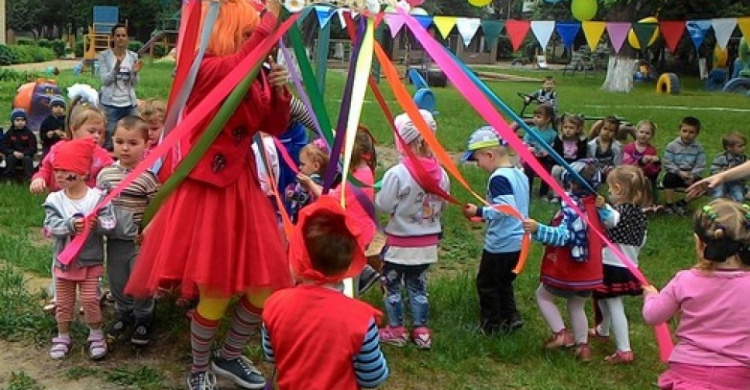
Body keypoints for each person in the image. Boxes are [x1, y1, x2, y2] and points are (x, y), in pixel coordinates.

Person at [124, 1, 294, 388]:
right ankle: (199, 368)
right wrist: (272, 21)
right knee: (215, 290)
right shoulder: (205, 69)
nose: (254, 38)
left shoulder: (254, 72)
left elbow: (276, 125)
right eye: (246, 32)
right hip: (207, 193)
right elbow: (236, 69)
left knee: (267, 288)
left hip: (244, 189)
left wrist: (280, 91)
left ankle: (228, 356)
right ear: (228, 32)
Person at [261, 196, 389, 390]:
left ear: (298, 258)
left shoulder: (274, 304)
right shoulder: (361, 319)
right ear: (348, 266)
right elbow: (372, 377)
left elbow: (271, 355)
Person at [642, 200, 750, 389]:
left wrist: (651, 296)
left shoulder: (685, 281)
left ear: (699, 243)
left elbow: (653, 315)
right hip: (738, 376)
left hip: (687, 372)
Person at [375, 110, 449, 349]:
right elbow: (443, 205)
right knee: (417, 285)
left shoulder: (397, 174)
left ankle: (396, 329)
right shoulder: (443, 174)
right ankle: (421, 330)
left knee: (392, 285)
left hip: (399, 246)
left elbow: (384, 205)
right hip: (427, 246)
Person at [522, 160, 605, 362]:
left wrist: (537, 229)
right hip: (590, 271)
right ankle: (583, 346)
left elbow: (562, 236)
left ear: (571, 183)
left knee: (542, 296)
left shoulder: (572, 209)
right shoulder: (597, 206)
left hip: (570, 269)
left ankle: (560, 334)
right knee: (577, 305)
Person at [43, 138, 116, 360]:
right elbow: (49, 226)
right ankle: (62, 336)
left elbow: (112, 224)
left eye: (67, 171)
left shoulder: (98, 199)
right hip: (64, 263)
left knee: (90, 300)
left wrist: (99, 226)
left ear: (83, 173)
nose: (60, 176)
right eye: (57, 170)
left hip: (90, 261)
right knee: (63, 302)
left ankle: (96, 334)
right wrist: (69, 225)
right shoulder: (55, 200)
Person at [97, 116, 160, 346]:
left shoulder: (148, 178)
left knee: (140, 281)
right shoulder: (105, 175)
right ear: (112, 141)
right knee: (117, 280)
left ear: (146, 145)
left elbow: (158, 208)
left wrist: (149, 231)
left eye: (133, 143)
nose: (125, 148)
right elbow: (98, 204)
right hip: (114, 241)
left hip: (138, 242)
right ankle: (124, 314)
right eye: (120, 141)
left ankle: (144, 317)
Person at [462, 127, 529, 335]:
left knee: (487, 283)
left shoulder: (499, 178)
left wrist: (480, 210)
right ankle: (511, 316)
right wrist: (485, 215)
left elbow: (506, 208)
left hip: (501, 243)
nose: (478, 165)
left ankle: (490, 326)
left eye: (477, 159)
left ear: (489, 155)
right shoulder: (519, 173)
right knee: (504, 282)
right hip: (518, 241)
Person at [298, 127, 381, 295]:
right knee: (350, 267)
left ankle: (351, 295)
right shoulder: (364, 171)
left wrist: (309, 183)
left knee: (348, 272)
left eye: (341, 150)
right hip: (360, 230)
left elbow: (329, 198)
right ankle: (361, 276)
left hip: (355, 234)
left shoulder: (356, 178)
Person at [590, 165, 651, 364]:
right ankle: (602, 329)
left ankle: (624, 349)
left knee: (614, 304)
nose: (608, 193)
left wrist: (602, 207)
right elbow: (642, 241)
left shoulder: (616, 211)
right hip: (629, 264)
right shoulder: (641, 214)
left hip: (611, 265)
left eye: (609, 189)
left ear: (617, 188)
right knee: (603, 296)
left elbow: (610, 221)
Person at [30, 96, 113, 194]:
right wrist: (39, 179)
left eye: (100, 132)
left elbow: (111, 173)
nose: (97, 136)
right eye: (92, 131)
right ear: (74, 129)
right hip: (61, 201)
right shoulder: (59, 149)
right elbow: (46, 169)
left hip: (90, 204)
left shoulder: (101, 155)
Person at [99, 23, 141, 151]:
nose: (120, 38)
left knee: (135, 131)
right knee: (110, 134)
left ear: (127, 38)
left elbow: (134, 83)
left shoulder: (133, 56)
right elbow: (105, 81)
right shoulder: (104, 56)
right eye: (117, 36)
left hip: (129, 102)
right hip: (111, 103)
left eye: (123, 35)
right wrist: (115, 69)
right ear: (112, 38)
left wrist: (134, 73)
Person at [662, 116, 706, 216]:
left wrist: (693, 175)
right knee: (668, 179)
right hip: (676, 173)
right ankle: (669, 204)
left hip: (691, 174)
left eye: (691, 132)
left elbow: (700, 164)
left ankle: (682, 203)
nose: (687, 135)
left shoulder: (699, 148)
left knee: (703, 186)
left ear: (697, 134)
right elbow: (668, 162)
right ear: (679, 131)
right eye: (684, 131)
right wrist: (679, 172)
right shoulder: (672, 146)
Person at [515, 104, 556, 200]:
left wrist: (546, 152)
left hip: (545, 158)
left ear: (548, 119)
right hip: (533, 157)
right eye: (534, 116)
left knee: (547, 170)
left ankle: (543, 193)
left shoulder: (553, 134)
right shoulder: (531, 131)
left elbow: (553, 147)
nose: (535, 119)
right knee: (528, 168)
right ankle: (527, 192)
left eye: (539, 117)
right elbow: (525, 143)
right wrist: (530, 148)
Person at [287, 138, 328, 222]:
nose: (299, 167)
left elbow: (323, 197)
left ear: (316, 166)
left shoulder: (317, 182)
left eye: (303, 164)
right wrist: (295, 195)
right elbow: (304, 198)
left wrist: (309, 183)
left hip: (309, 220)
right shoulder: (307, 179)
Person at [549, 114, 588, 203]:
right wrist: (562, 164)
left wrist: (573, 166)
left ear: (578, 129)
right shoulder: (559, 139)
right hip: (561, 163)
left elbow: (583, 156)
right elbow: (556, 154)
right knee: (555, 170)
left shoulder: (582, 140)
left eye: (571, 128)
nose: (568, 130)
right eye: (565, 127)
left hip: (576, 164)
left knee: (579, 172)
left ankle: (572, 193)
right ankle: (557, 194)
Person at [622, 120, 661, 205]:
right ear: (636, 132)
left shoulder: (651, 150)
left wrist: (656, 163)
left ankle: (647, 203)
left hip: (645, 177)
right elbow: (627, 164)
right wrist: (641, 163)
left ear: (651, 136)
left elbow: (653, 171)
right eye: (641, 132)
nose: (644, 135)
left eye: (647, 133)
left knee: (649, 183)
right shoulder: (629, 148)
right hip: (630, 175)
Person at [709, 132, 747, 202]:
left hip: (736, 183)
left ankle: (735, 209)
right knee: (718, 195)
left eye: (744, 145)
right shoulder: (720, 158)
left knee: (739, 197)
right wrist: (725, 172)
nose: (743, 148)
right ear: (729, 148)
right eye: (740, 146)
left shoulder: (744, 159)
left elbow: (746, 174)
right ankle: (716, 209)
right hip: (720, 182)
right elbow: (713, 171)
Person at [1, 108, 37, 181]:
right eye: (17, 120)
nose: (20, 122)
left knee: (27, 159)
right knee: (10, 158)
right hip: (13, 155)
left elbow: (33, 148)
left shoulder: (29, 133)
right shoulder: (9, 133)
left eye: (22, 120)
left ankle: (29, 179)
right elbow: (3, 147)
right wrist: (13, 152)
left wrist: (24, 153)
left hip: (25, 156)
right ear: (13, 121)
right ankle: (9, 178)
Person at [39, 96, 67, 162]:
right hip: (49, 145)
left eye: (61, 107)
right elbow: (42, 134)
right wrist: (47, 135)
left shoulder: (66, 120)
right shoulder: (47, 120)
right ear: (51, 108)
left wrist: (63, 134)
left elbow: (71, 132)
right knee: (45, 159)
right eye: (56, 106)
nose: (58, 109)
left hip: (64, 145)